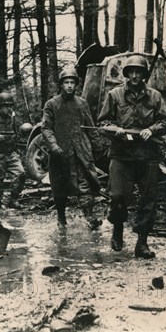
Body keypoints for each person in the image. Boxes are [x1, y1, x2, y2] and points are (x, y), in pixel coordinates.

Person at [97, 55, 166, 259]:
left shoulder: (155, 97)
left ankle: (142, 243)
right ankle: (118, 227)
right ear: (127, 74)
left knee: (148, 199)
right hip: (122, 154)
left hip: (148, 156)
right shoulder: (115, 95)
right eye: (132, 72)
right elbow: (102, 123)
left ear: (144, 75)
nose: (135, 76)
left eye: (139, 72)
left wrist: (152, 129)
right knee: (118, 196)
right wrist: (116, 130)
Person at [41, 67, 104, 230]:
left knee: (85, 185)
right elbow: (46, 128)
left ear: (76, 85)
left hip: (80, 152)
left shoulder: (82, 103)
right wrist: (54, 145)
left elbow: (90, 126)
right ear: (61, 85)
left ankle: (90, 217)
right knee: (60, 188)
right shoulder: (51, 104)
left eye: (72, 82)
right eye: (66, 82)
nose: (69, 86)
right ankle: (61, 218)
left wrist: (98, 148)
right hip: (60, 154)